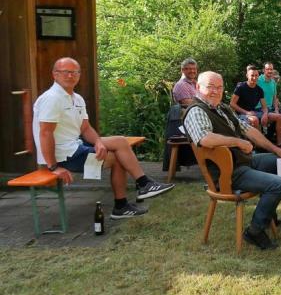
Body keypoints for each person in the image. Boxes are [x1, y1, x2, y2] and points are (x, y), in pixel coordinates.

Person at [34, 57, 175, 219]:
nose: (71, 76)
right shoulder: (52, 98)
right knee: (117, 158)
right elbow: (45, 133)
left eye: (75, 72)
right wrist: (53, 167)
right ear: (55, 74)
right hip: (63, 156)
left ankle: (143, 185)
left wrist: (99, 142)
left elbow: (85, 128)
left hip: (75, 145)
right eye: (66, 72)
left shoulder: (76, 98)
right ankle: (124, 204)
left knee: (120, 142)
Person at [183, 71, 281, 250]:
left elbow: (249, 130)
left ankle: (267, 212)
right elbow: (204, 138)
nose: (215, 91)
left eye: (219, 87)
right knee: (278, 185)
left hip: (242, 162)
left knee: (278, 161)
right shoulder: (196, 111)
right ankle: (254, 231)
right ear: (198, 88)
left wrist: (276, 148)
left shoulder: (222, 108)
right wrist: (238, 141)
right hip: (227, 174)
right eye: (210, 87)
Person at [230, 65, 270, 130]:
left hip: (253, 112)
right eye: (252, 75)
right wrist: (246, 112)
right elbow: (232, 104)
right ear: (247, 76)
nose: (254, 77)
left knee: (277, 117)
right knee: (255, 120)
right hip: (240, 114)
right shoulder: (240, 87)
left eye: (256, 75)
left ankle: (274, 138)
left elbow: (264, 107)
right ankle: (258, 139)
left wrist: (265, 114)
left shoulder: (259, 90)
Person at [255, 62, 281, 145]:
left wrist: (276, 109)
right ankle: (276, 142)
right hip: (259, 108)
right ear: (264, 70)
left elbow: (275, 98)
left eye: (271, 69)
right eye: (267, 69)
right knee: (280, 117)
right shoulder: (258, 80)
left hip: (270, 108)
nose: (269, 71)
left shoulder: (273, 82)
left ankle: (272, 137)